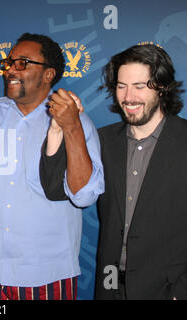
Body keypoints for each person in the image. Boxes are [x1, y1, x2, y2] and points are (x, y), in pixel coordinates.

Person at [0, 33, 104, 300]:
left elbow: (84, 196)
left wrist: (71, 127)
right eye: (9, 63)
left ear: (48, 74)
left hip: (46, 270)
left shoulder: (75, 121)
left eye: (23, 63)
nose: (10, 71)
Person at [94, 44, 187, 299]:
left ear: (163, 87)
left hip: (167, 290)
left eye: (140, 86)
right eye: (121, 86)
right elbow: (56, 186)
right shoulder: (102, 141)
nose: (128, 97)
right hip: (110, 286)